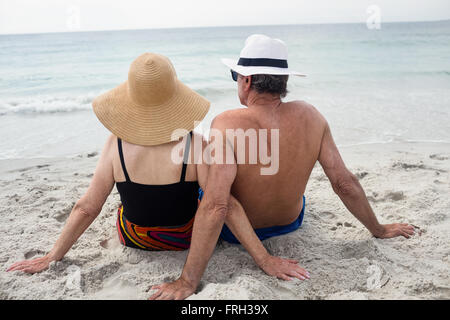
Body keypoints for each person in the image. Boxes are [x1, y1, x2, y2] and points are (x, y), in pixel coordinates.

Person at [7, 53, 306, 290]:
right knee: (212, 193)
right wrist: (264, 259)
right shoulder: (195, 144)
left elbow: (87, 207)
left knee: (123, 202)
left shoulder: (115, 145)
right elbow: (222, 206)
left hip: (134, 237)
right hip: (185, 237)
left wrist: (52, 255)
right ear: (174, 93)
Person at [150, 34, 416, 300]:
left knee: (205, 183)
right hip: (291, 222)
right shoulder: (312, 116)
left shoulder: (226, 124)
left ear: (247, 81)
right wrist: (378, 229)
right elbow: (343, 182)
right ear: (283, 82)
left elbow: (218, 205)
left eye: (236, 77)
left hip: (235, 234)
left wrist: (187, 281)